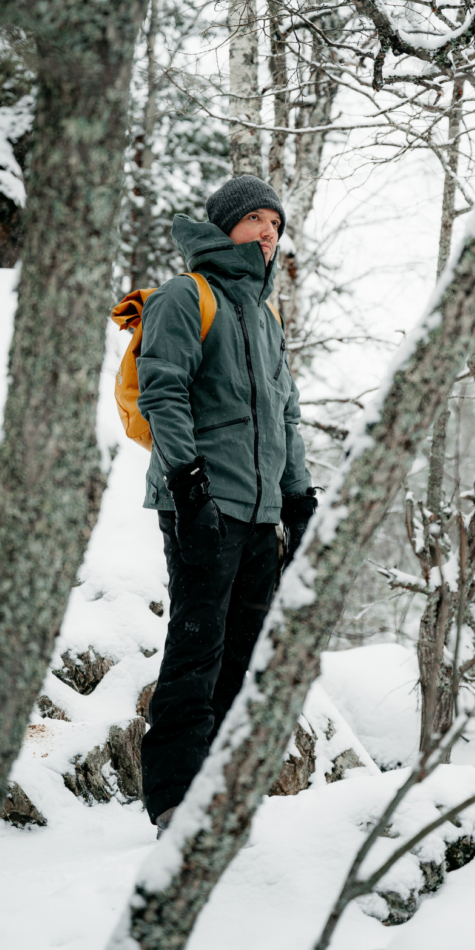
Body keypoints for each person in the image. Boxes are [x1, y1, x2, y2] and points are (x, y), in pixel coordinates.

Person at [136, 174, 317, 836]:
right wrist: (189, 489)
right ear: (224, 226)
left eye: (276, 223)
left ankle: (217, 796)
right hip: (202, 505)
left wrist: (298, 502)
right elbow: (163, 392)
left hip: (260, 513)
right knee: (197, 649)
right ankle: (172, 803)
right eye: (255, 220)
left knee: (242, 656)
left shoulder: (266, 318)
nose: (269, 232)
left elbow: (287, 419)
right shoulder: (187, 296)